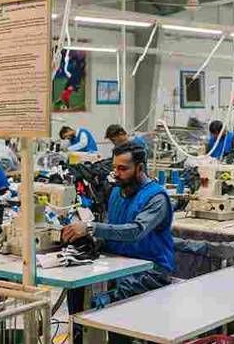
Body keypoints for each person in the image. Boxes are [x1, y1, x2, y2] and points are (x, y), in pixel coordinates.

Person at [61, 143, 174, 342]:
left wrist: (91, 227)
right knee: (77, 287)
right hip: (118, 266)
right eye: (115, 167)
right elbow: (112, 229)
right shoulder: (116, 193)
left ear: (140, 168)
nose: (116, 173)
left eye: (123, 168)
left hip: (150, 271)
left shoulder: (156, 198)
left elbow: (136, 231)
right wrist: (84, 242)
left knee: (110, 302)